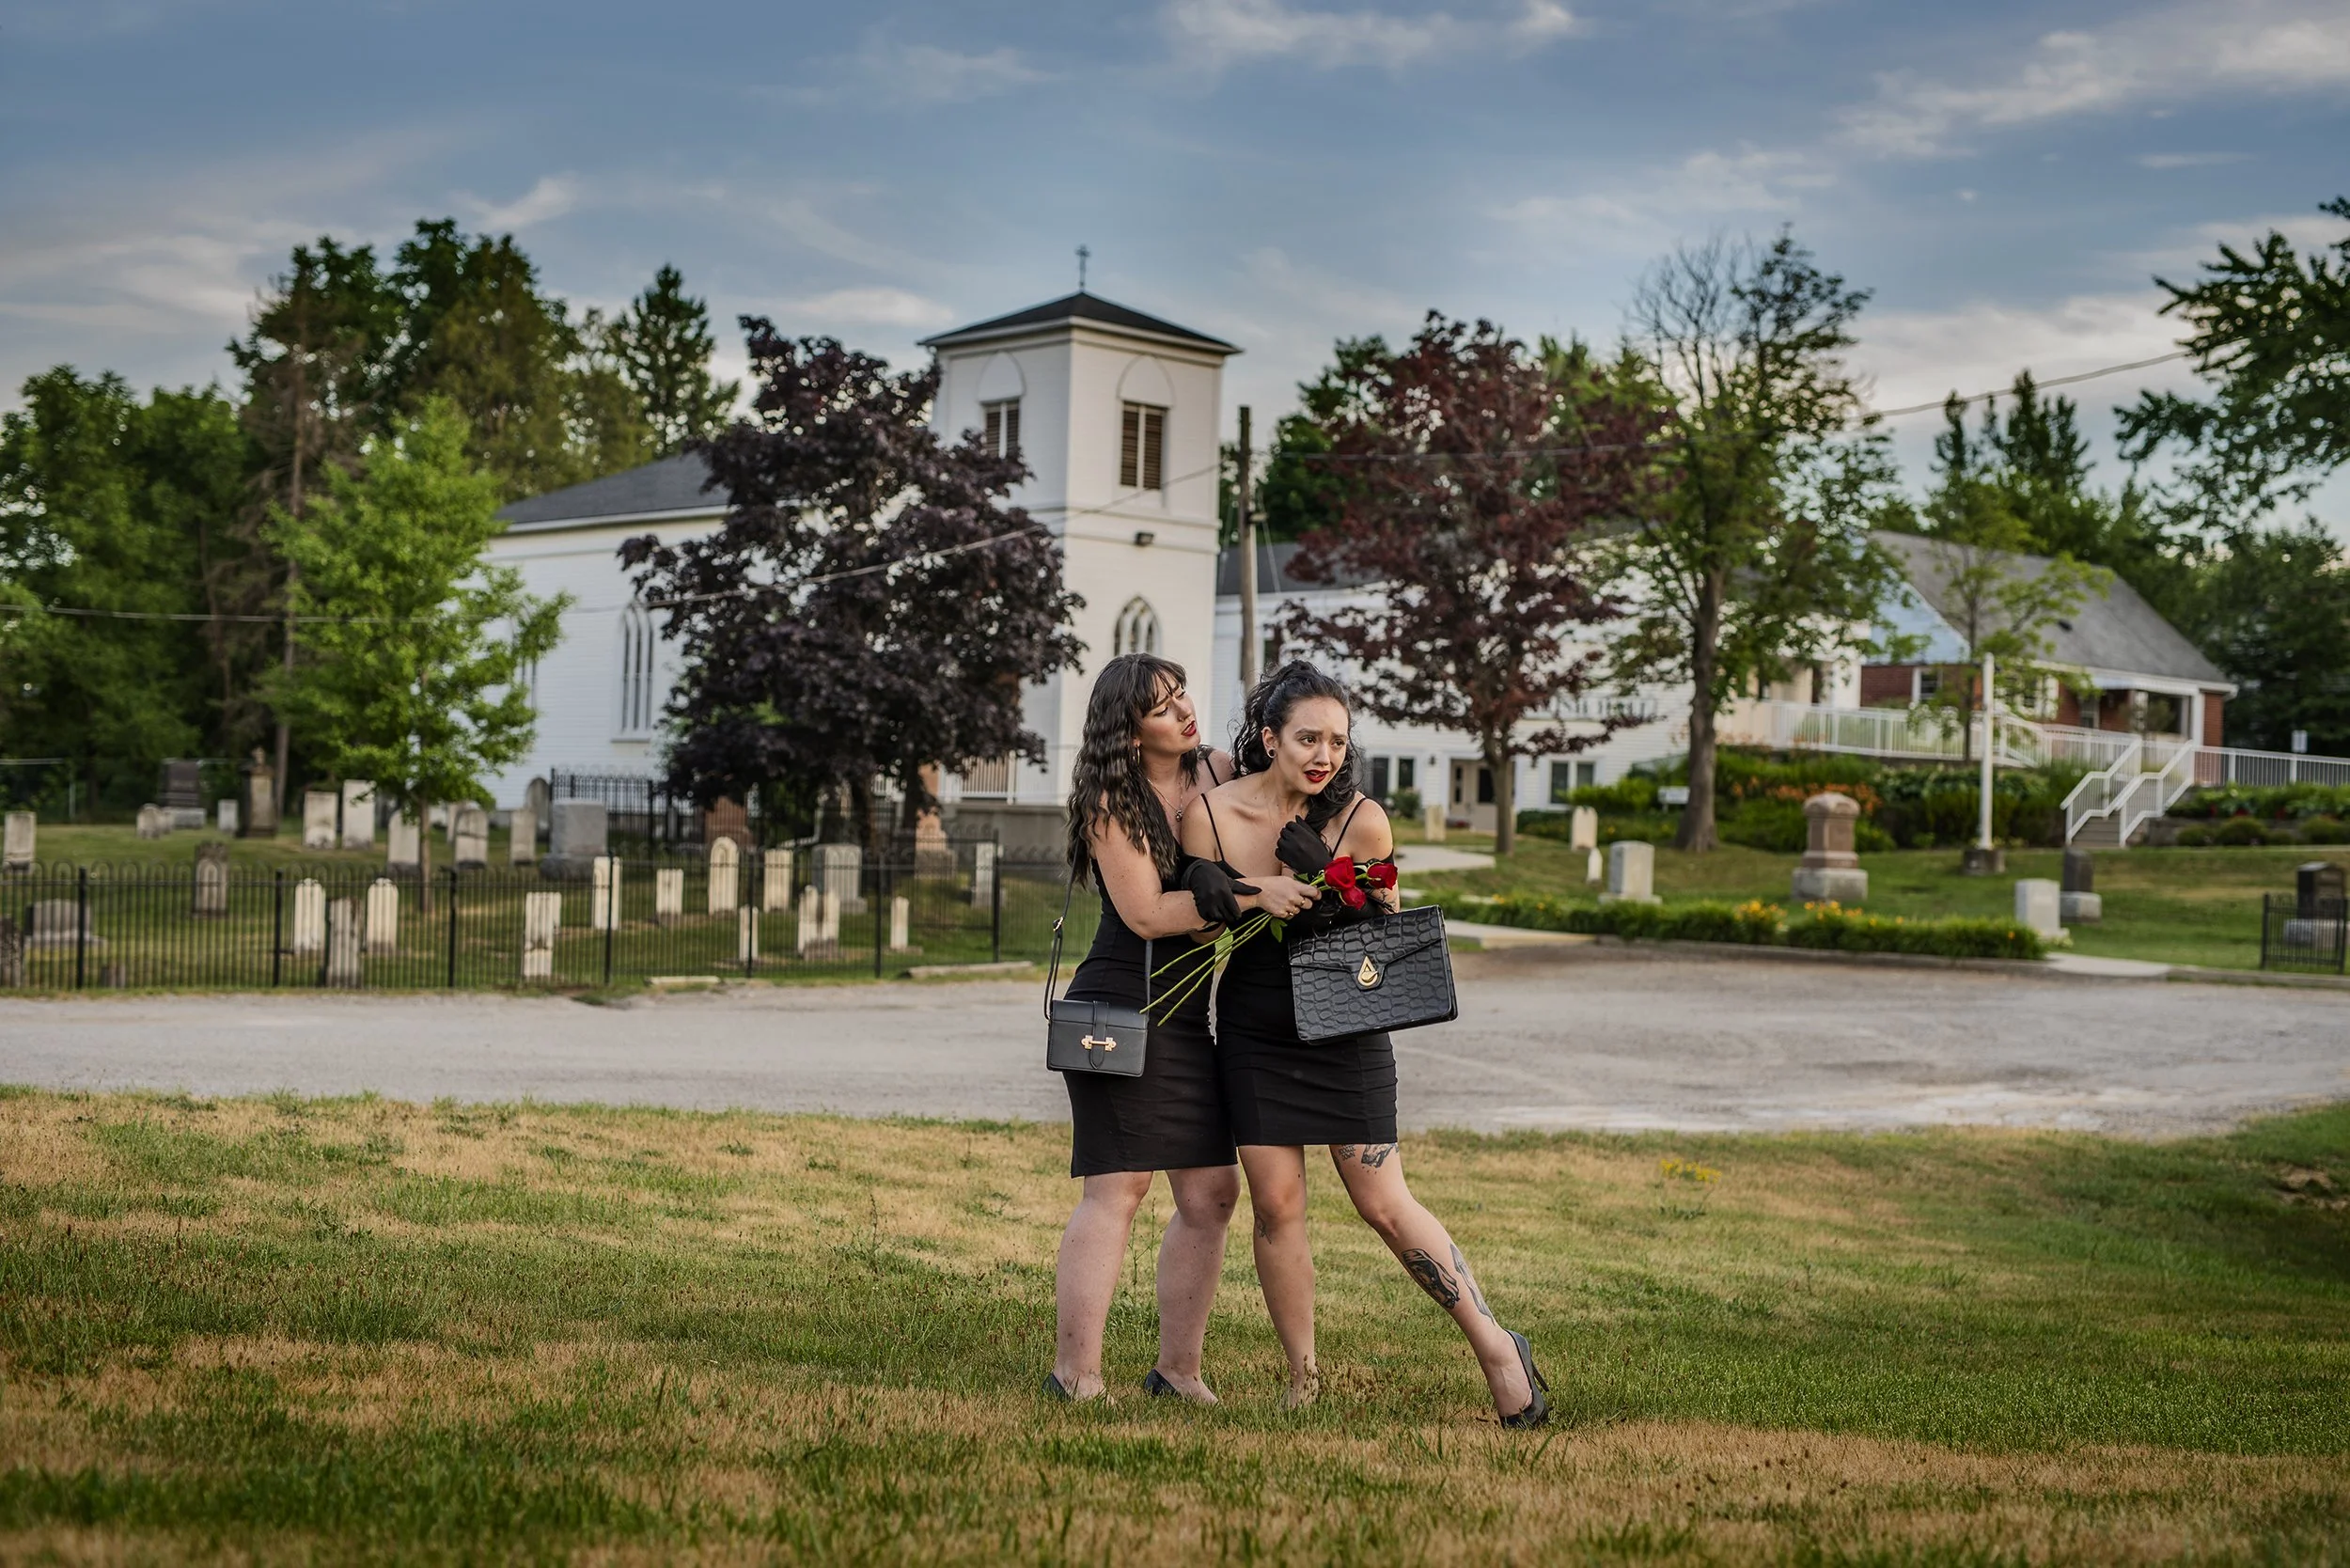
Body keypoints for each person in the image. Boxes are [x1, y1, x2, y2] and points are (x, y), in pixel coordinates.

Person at [1181, 660, 1549, 1426]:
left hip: (1346, 1025)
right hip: (1255, 1027)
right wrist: (1231, 891)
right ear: (1268, 736)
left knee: (1384, 1202)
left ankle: (1498, 1349)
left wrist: (1338, 879)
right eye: (1307, 738)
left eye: (1337, 742)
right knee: (1277, 1207)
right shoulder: (1209, 816)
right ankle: (1302, 1379)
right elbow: (1208, 924)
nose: (1323, 756)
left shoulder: (1361, 819)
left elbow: (1392, 936)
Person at [1047, 652, 1318, 1403]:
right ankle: (1076, 1374)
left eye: (1182, 696)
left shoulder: (1216, 768)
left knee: (1212, 1194)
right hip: (1121, 1002)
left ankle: (1178, 1371)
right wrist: (1252, 894)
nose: (1185, 712)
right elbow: (1145, 914)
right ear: (1131, 734)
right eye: (1163, 708)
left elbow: (1263, 816)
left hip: (1188, 1012)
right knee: (1119, 1187)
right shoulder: (1113, 797)